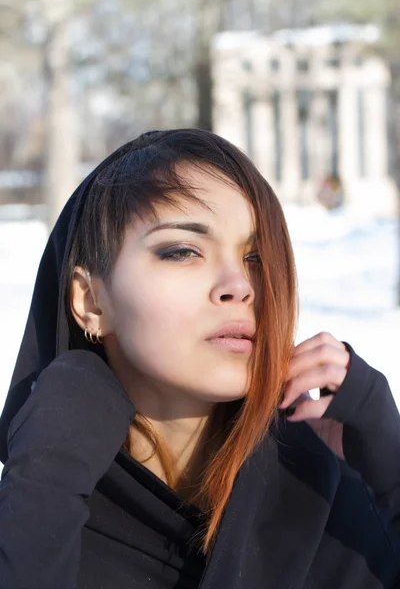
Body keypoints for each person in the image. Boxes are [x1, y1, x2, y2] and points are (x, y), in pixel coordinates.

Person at [0, 128, 399, 589]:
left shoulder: (333, 501)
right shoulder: (41, 509)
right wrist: (48, 471)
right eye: (183, 251)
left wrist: (391, 468)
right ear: (90, 301)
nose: (240, 285)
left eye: (255, 257)